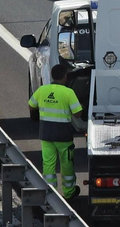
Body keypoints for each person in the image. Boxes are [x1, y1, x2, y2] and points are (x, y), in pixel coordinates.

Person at [27, 63, 84, 201]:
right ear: (65, 77)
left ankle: (50, 192)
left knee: (48, 164)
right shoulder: (68, 92)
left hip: (46, 134)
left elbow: (31, 106)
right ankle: (69, 192)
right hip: (63, 135)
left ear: (52, 76)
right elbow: (78, 113)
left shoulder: (42, 90)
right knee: (67, 164)